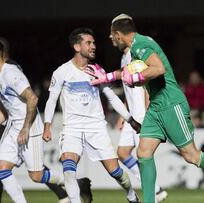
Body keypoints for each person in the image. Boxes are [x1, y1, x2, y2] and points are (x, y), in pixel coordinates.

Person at [85, 14, 204, 203]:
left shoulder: (140, 44)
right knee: (143, 153)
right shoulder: (135, 48)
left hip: (171, 104)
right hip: (156, 107)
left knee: (191, 155)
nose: (110, 39)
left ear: (119, 34)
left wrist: (137, 78)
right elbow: (130, 71)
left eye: (112, 35)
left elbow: (158, 68)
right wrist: (108, 77)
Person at [0, 37, 92, 203]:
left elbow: (33, 99)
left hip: (29, 128)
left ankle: (75, 183)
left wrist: (25, 128)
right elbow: (6, 108)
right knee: (1, 168)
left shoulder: (11, 73)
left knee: (36, 176)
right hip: (13, 127)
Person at [43, 27, 141, 203]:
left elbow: (112, 97)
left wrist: (130, 119)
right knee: (69, 170)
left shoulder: (97, 70)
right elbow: (51, 100)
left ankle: (131, 195)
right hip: (72, 128)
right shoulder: (61, 72)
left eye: (94, 42)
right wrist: (47, 125)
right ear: (77, 47)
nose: (93, 46)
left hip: (96, 127)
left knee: (116, 172)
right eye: (89, 43)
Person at [116, 47, 168, 202]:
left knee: (144, 157)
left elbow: (146, 86)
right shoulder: (123, 58)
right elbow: (127, 89)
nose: (111, 38)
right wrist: (123, 113)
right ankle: (157, 190)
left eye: (113, 34)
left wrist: (148, 114)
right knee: (122, 153)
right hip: (130, 116)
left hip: (141, 115)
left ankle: (153, 194)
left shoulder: (136, 55)